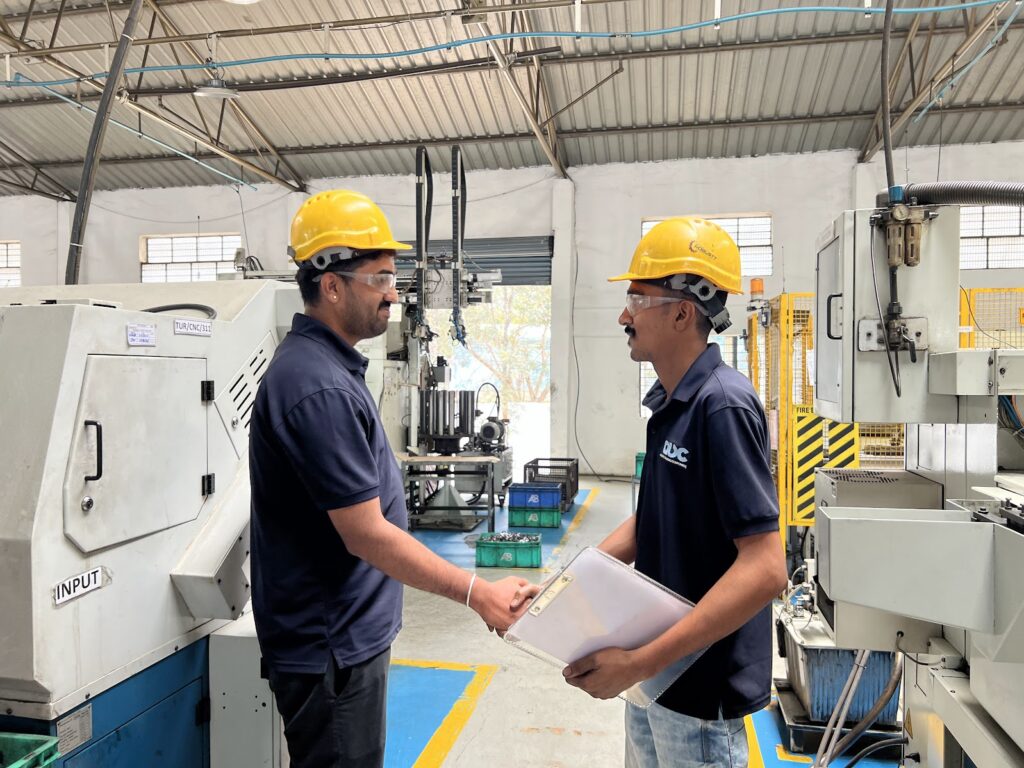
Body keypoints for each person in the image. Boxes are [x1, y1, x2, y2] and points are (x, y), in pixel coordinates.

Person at [249, 190, 527, 768]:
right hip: (332, 649)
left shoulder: (328, 368)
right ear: (332, 286)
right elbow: (367, 534)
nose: (393, 294)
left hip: (344, 642)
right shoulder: (317, 385)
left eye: (392, 279)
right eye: (379, 279)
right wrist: (477, 593)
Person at [515, 217, 786, 768]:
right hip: (656, 679)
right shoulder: (671, 401)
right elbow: (654, 520)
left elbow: (765, 569)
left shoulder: (722, 406)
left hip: (697, 687)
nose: (624, 316)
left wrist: (641, 662)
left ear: (683, 313)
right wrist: (561, 590)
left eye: (637, 300)